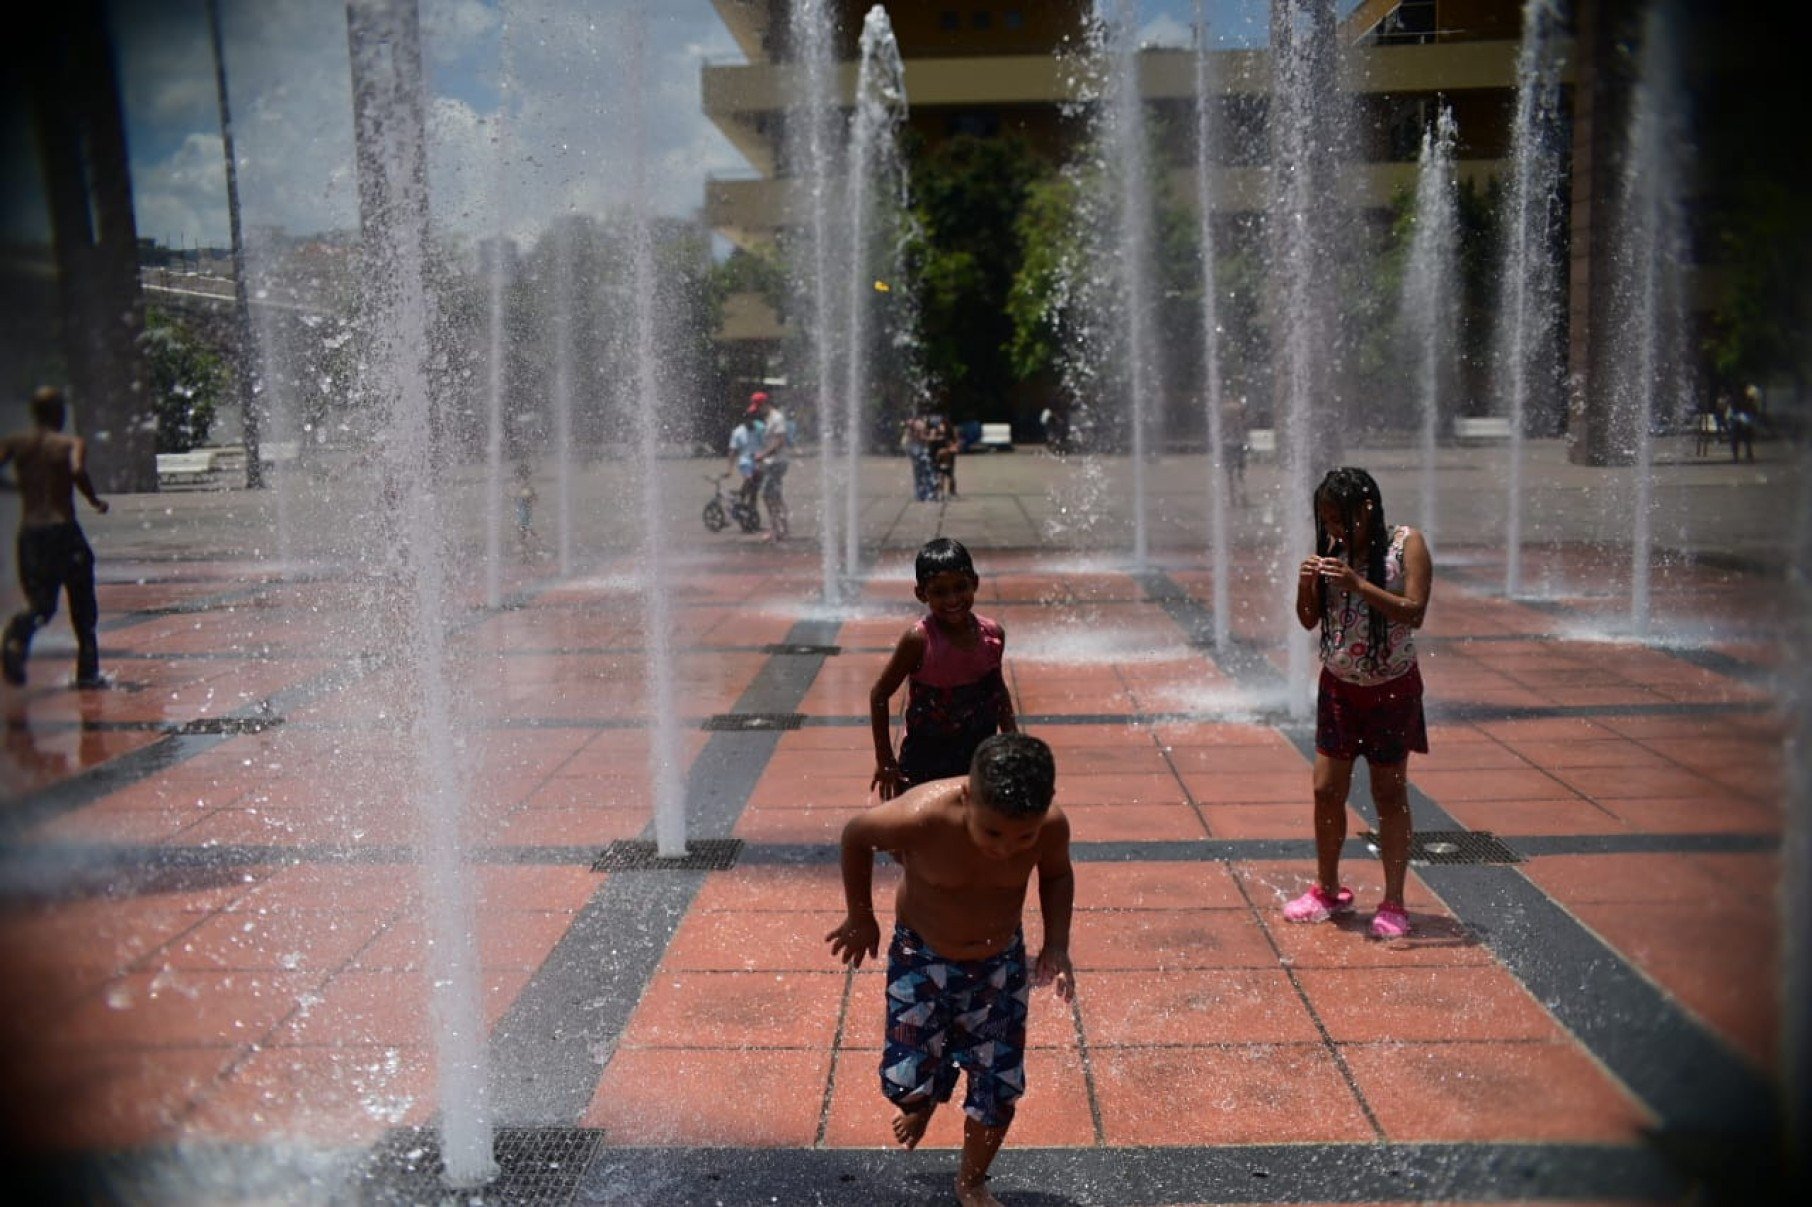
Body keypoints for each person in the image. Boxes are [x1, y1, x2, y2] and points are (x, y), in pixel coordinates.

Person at [825, 732, 1073, 1207]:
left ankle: (972, 1181)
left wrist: (1056, 944)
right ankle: (923, 1099)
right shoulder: (924, 817)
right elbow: (857, 835)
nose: (1007, 848)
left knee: (998, 1086)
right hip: (923, 959)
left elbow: (1057, 874)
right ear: (966, 797)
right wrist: (861, 915)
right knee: (903, 1082)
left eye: (1024, 836)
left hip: (998, 966)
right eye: (993, 832)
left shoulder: (1052, 826)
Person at [1284, 466, 1432, 939]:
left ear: (1366, 510)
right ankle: (1327, 888)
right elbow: (1309, 621)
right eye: (1324, 520)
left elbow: (1415, 611)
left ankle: (1393, 900)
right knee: (1327, 790)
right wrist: (1307, 584)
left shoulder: (1405, 545)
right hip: (1339, 688)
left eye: (1338, 519)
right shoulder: (1332, 551)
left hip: (1391, 689)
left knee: (1388, 793)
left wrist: (1359, 586)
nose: (1330, 529)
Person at [870, 538, 1017, 801]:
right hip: (925, 757)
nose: (952, 599)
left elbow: (998, 689)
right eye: (939, 592)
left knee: (973, 827)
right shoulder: (918, 640)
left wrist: (1012, 740)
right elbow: (879, 695)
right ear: (921, 594)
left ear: (975, 583)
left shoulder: (992, 634)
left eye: (960, 587)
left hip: (978, 752)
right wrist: (885, 760)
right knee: (920, 832)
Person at [1, 387, 111, 689]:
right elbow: (77, 470)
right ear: (57, 412)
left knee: (42, 606)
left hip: (32, 533)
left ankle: (16, 637)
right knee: (83, 603)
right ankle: (88, 673)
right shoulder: (69, 443)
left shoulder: (17, 443)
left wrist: (15, 488)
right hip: (64, 530)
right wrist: (93, 500)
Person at [752, 392, 790, 541]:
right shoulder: (769, 419)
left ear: (765, 404)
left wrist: (763, 454)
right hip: (772, 462)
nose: (758, 411)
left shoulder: (777, 418)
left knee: (768, 495)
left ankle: (776, 529)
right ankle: (782, 529)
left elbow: (780, 441)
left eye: (759, 407)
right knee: (776, 496)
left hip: (777, 462)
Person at [726, 396, 766, 526]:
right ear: (745, 419)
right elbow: (733, 450)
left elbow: (765, 444)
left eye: (753, 417)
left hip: (757, 461)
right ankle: (739, 499)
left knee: (754, 491)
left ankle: (751, 513)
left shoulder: (759, 428)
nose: (751, 420)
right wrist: (730, 469)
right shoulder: (738, 432)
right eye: (749, 417)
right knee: (749, 479)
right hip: (745, 462)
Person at [932, 412, 959, 500]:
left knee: (949, 474)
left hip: (948, 457)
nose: (941, 427)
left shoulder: (950, 435)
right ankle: (941, 492)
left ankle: (951, 491)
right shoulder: (936, 433)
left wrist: (946, 450)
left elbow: (955, 447)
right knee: (941, 475)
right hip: (940, 458)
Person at [1728, 385, 1758, 463]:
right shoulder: (1748, 399)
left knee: (1735, 440)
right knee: (1746, 439)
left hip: (1737, 420)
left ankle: (1736, 457)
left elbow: (1732, 410)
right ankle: (1748, 455)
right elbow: (1753, 410)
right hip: (1745, 421)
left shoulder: (1735, 398)